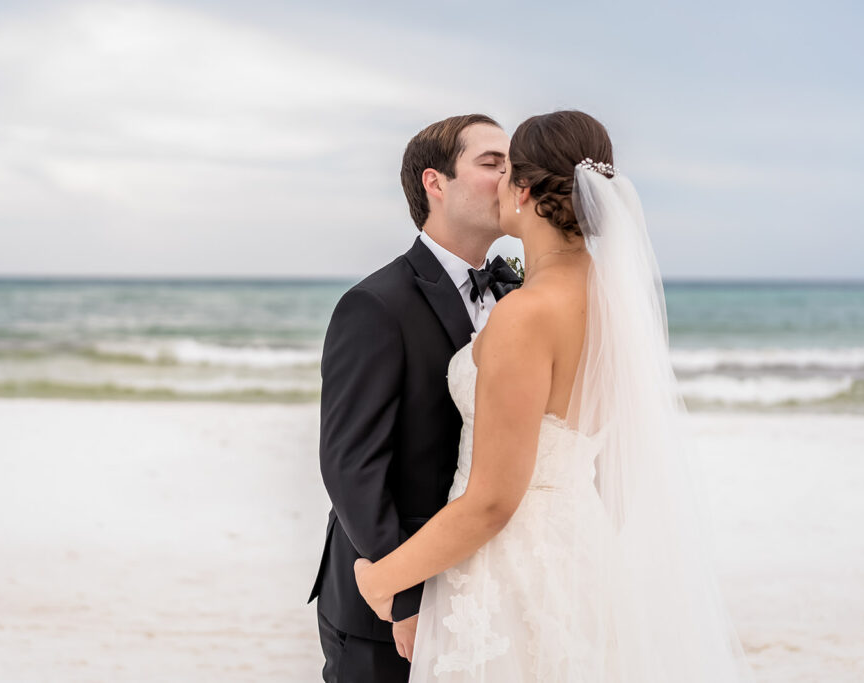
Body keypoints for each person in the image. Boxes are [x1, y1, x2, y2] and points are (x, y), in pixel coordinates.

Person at [354, 111, 753, 682]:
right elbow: (613, 470)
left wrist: (381, 578)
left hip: (508, 566)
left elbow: (493, 501)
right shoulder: (615, 300)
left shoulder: (528, 313)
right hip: (582, 551)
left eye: (505, 168)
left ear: (525, 189)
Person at [308, 113, 521, 683]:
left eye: (513, 164)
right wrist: (403, 593)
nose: (509, 177)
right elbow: (350, 464)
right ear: (436, 183)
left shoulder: (522, 300)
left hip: (486, 586)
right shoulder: (375, 305)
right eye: (491, 163)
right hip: (388, 604)